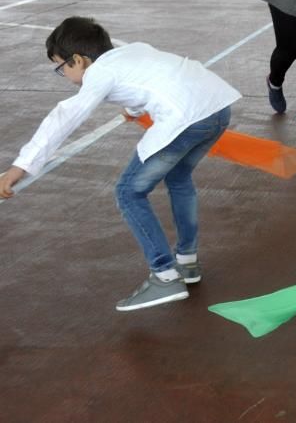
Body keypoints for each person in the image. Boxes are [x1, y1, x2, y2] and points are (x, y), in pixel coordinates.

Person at [0, 17, 239, 311]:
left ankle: (164, 277)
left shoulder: (99, 73)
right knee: (178, 178)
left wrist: (20, 166)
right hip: (217, 108)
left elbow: (65, 117)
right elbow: (149, 79)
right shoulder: (132, 50)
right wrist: (133, 110)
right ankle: (187, 263)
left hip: (186, 118)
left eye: (61, 68)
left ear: (79, 60)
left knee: (129, 191)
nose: (63, 75)